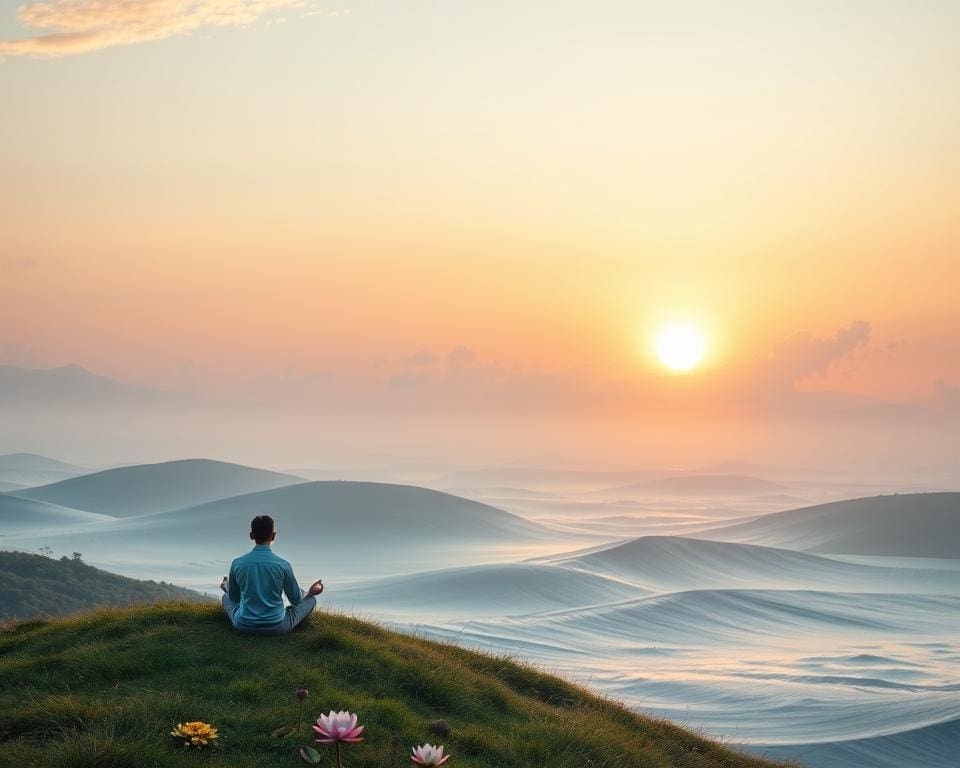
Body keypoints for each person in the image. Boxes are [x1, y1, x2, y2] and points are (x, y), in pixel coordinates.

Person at [220, 514, 323, 635]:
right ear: (273, 536)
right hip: (277, 626)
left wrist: (226, 586)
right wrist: (311, 592)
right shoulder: (283, 565)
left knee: (225, 597)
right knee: (312, 600)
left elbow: (234, 598)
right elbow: (296, 601)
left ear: (251, 535)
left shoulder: (237, 563)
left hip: (244, 625)